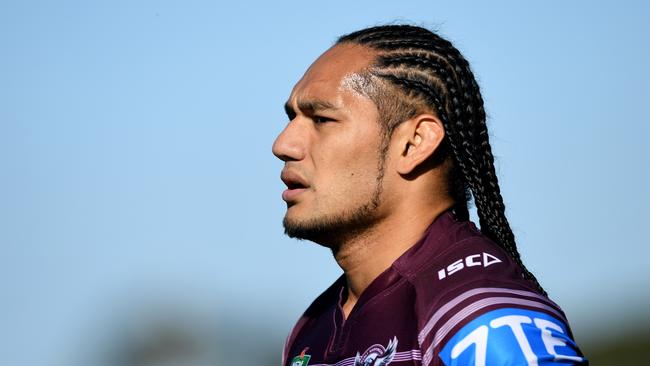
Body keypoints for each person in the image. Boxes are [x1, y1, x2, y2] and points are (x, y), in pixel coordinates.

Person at [272, 24, 587, 366]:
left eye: (321, 119)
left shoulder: (482, 317)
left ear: (414, 143)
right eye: (292, 118)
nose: (283, 145)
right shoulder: (310, 328)